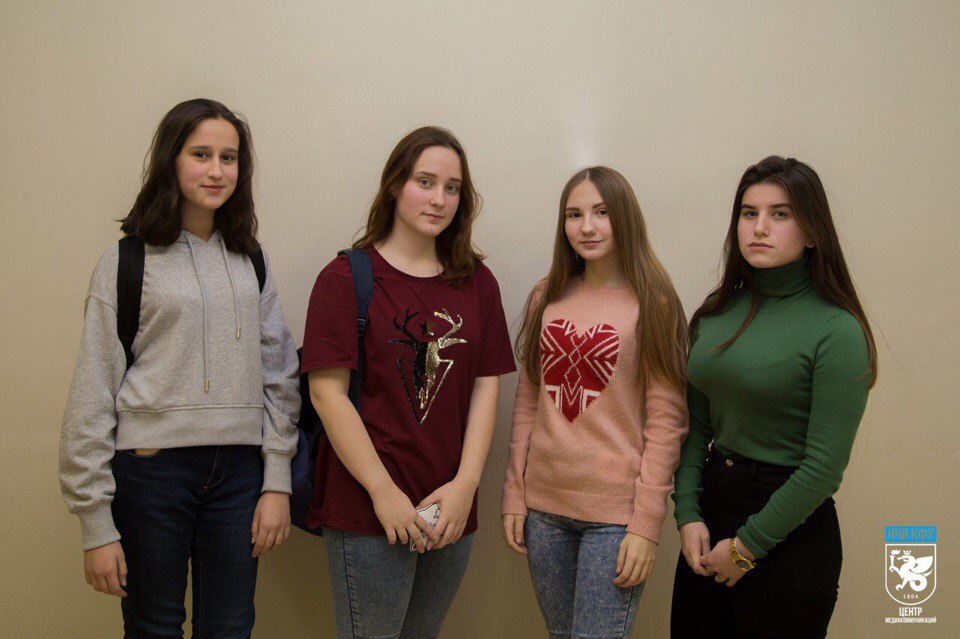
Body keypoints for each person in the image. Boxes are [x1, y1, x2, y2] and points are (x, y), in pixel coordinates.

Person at [58, 98, 301, 638]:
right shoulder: (127, 261)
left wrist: (277, 481)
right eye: (201, 154)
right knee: (154, 627)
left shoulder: (251, 259)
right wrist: (95, 525)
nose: (217, 171)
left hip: (240, 475)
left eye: (229, 158)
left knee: (230, 628)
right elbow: (93, 387)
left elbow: (280, 374)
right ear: (171, 159)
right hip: (152, 475)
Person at [302, 126, 516, 639]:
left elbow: (486, 387)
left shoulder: (477, 283)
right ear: (395, 185)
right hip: (369, 506)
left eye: (452, 187)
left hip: (449, 507)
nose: (439, 199)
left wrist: (465, 487)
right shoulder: (345, 278)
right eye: (425, 182)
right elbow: (327, 394)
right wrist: (382, 491)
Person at [670, 156, 877, 638]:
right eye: (749, 213)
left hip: (789, 532)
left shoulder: (837, 330)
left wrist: (747, 548)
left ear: (812, 231)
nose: (759, 227)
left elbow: (823, 467)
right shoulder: (716, 312)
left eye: (779, 214)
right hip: (710, 518)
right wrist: (687, 513)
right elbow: (696, 427)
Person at [501, 166, 689, 639]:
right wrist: (515, 491)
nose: (586, 227)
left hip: (614, 517)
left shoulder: (654, 302)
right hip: (544, 510)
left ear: (624, 217)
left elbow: (666, 421)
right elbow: (528, 401)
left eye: (601, 212)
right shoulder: (547, 295)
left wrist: (646, 523)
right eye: (574, 214)